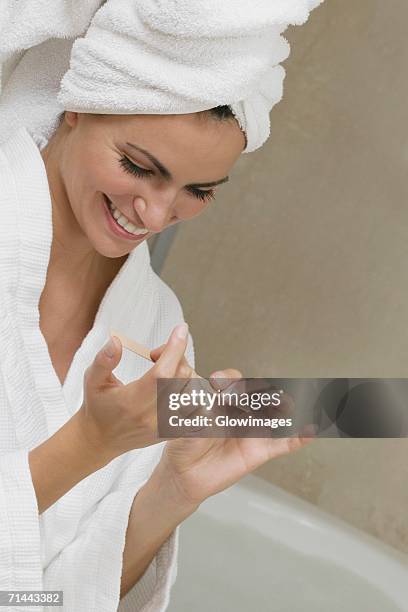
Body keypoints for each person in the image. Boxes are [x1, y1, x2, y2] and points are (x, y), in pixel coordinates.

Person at [0, 1, 323, 611]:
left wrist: (171, 493)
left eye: (198, 190)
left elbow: (47, 596)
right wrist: (89, 443)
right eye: (140, 167)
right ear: (78, 104)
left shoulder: (157, 324)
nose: (155, 214)